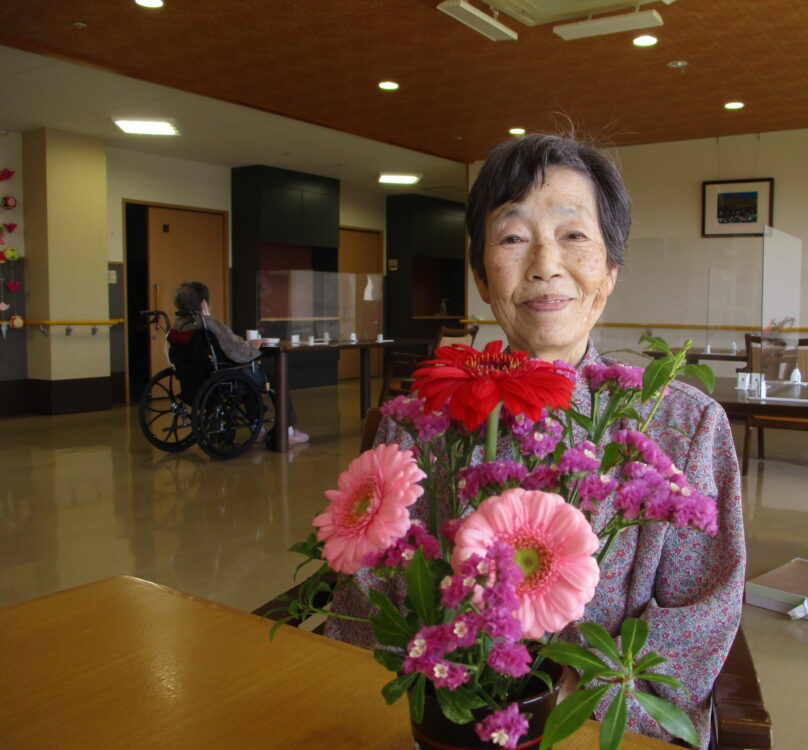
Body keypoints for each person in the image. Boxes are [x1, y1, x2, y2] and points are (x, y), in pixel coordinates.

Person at [325, 135, 744, 749]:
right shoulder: (420, 420)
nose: (545, 263)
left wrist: (568, 701)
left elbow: (701, 618)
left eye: (575, 236)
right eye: (513, 237)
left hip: (588, 728)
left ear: (610, 271)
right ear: (481, 276)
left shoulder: (684, 427)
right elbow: (367, 602)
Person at [171, 281, 309, 444]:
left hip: (198, 377)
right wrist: (253, 346)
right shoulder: (209, 323)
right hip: (228, 374)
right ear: (203, 303)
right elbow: (236, 348)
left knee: (248, 375)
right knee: (274, 372)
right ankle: (288, 429)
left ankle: (255, 425)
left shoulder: (178, 325)